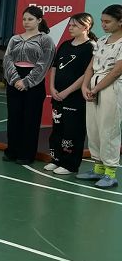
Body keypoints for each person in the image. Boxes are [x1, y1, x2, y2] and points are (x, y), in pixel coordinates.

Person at [1, 5, 55, 165]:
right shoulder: (15, 39)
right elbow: (7, 59)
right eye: (24, 19)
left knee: (30, 119)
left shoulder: (45, 40)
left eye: (30, 19)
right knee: (14, 118)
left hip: (34, 83)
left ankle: (26, 154)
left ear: (39, 20)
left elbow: (44, 63)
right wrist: (15, 79)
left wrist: (27, 82)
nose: (26, 22)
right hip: (14, 80)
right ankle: (12, 151)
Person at [76, 5, 122, 188]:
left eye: (107, 21)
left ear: (120, 22)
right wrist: (84, 86)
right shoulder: (102, 41)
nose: (103, 25)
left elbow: (116, 71)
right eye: (102, 21)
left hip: (111, 88)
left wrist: (95, 89)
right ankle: (98, 169)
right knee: (93, 128)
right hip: (93, 86)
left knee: (108, 130)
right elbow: (90, 66)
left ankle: (110, 173)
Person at [45, 13, 96, 174]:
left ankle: (70, 164)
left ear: (86, 27)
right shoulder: (65, 45)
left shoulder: (91, 47)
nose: (70, 28)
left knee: (72, 131)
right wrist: (52, 88)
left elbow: (87, 73)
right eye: (70, 25)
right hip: (58, 96)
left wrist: (67, 91)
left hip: (75, 98)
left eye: (74, 25)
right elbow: (54, 67)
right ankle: (56, 159)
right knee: (57, 129)